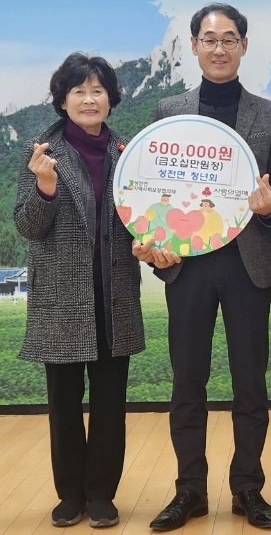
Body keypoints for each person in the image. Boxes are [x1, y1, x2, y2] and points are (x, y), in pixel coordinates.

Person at [148, 3, 271, 531]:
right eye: (209, 39)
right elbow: (150, 188)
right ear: (193, 45)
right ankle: (190, 490)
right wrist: (154, 240)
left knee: (250, 382)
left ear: (244, 46)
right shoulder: (169, 111)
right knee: (188, 381)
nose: (219, 48)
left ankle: (247, 488)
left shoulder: (270, 114)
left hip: (247, 266)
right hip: (187, 266)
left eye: (229, 39)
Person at [13, 53, 154, 528]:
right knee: (64, 403)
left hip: (115, 294)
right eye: (79, 91)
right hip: (62, 297)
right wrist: (45, 186)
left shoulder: (129, 151)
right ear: (62, 101)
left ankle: (101, 494)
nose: (89, 99)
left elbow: (145, 219)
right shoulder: (40, 153)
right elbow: (27, 227)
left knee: (111, 403)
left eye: (98, 91)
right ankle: (70, 494)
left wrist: (151, 242)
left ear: (111, 99)